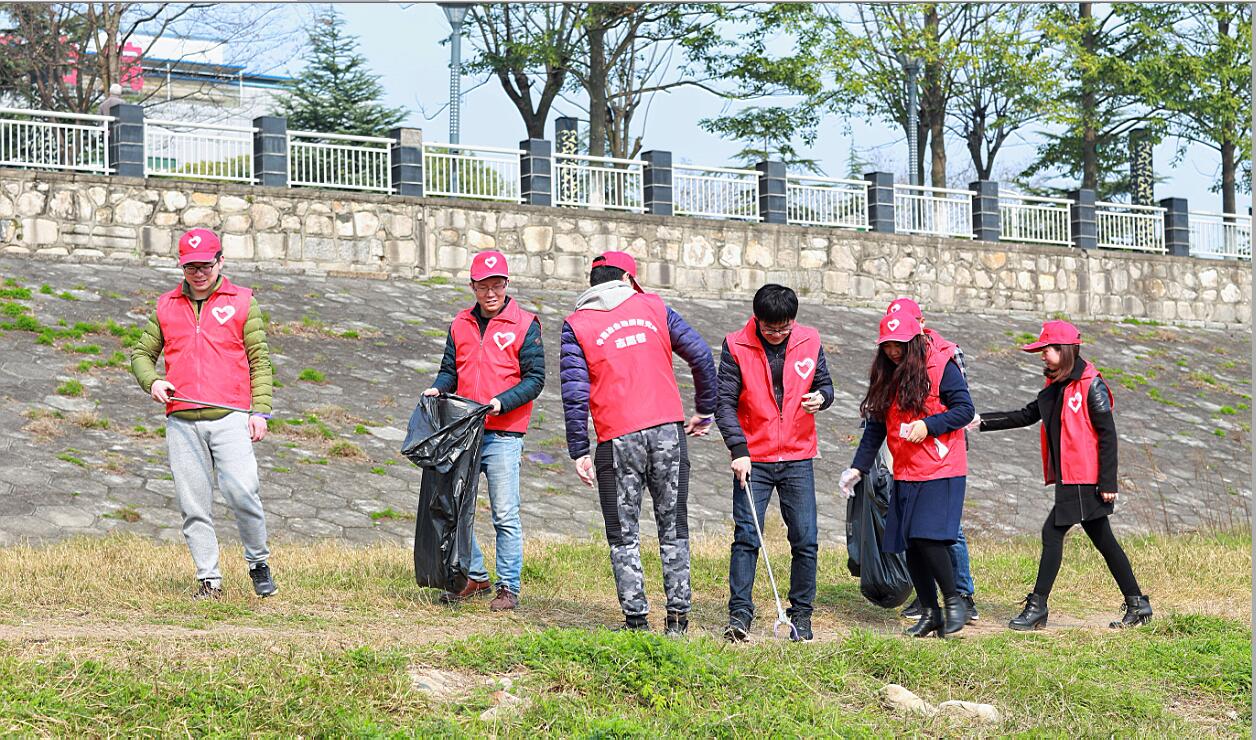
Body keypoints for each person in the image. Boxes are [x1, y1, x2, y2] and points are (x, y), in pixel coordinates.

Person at [559, 251, 717, 635]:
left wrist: (579, 448)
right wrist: (705, 409)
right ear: (629, 278)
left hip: (616, 439)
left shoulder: (576, 324)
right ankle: (678, 622)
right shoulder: (654, 307)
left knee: (623, 534)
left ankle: (636, 622)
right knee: (673, 527)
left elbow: (575, 392)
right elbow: (701, 354)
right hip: (668, 431)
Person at [970, 320, 1152, 630]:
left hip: (1086, 478)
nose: (1042, 355)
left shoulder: (1090, 384)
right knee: (1105, 541)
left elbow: (1107, 436)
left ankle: (1038, 606)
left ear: (1065, 351)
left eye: (1048, 350)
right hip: (1071, 476)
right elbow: (1027, 415)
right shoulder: (1056, 386)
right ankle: (1138, 603)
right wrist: (978, 421)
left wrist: (1108, 482)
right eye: (1041, 350)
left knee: (1051, 534)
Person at [130, 228, 276, 600]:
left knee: (244, 493)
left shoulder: (243, 301)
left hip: (231, 417)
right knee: (193, 505)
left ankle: (258, 562)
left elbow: (260, 361)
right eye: (190, 266)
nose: (198, 273)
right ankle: (209, 580)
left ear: (220, 261)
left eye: (205, 265)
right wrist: (153, 383)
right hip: (182, 421)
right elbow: (140, 355)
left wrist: (260, 412)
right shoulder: (165, 306)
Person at [840, 313, 974, 637]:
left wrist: (928, 425)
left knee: (928, 537)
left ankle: (955, 600)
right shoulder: (887, 375)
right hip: (906, 469)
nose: (893, 351)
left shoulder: (942, 366)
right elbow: (875, 428)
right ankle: (931, 613)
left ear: (914, 341)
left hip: (941, 467)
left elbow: (964, 410)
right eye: (887, 346)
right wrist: (858, 468)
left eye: (899, 345)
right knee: (911, 542)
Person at [425, 250, 544, 612]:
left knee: (505, 514)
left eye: (497, 285)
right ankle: (475, 575)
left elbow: (536, 379)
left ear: (507, 284)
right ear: (472, 286)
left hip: (504, 432)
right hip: (465, 432)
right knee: (454, 508)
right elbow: (451, 369)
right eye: (483, 286)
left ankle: (509, 587)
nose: (491, 293)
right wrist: (438, 387)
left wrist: (500, 403)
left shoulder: (525, 324)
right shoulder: (459, 323)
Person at [715, 284, 833, 642]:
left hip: (798, 456)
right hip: (755, 458)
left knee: (806, 539)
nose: (778, 335)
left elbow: (826, 384)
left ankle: (802, 615)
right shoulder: (735, 345)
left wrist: (822, 398)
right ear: (757, 320)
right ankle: (739, 615)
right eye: (770, 329)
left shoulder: (810, 340)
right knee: (747, 537)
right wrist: (739, 450)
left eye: (784, 328)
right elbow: (724, 403)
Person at [885, 298, 979, 623]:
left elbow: (960, 409)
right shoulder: (895, 364)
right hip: (909, 455)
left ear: (921, 322)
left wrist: (930, 429)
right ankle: (930, 605)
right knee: (916, 536)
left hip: (942, 454)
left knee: (945, 533)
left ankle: (961, 596)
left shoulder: (945, 355)